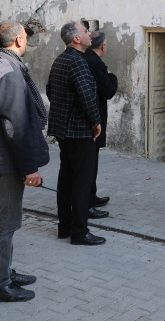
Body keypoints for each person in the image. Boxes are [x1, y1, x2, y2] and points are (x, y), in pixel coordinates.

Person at [0, 21, 49, 302]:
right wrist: (30, 168)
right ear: (18, 39)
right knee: (6, 224)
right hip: (3, 162)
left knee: (7, 222)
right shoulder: (7, 70)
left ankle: (4, 272)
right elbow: (14, 125)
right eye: (26, 38)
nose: (27, 42)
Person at [46, 22, 104, 246]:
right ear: (77, 39)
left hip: (63, 130)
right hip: (79, 132)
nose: (90, 34)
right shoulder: (77, 61)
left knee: (67, 180)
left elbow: (51, 90)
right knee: (81, 183)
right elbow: (87, 96)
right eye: (86, 32)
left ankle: (65, 227)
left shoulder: (61, 59)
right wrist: (95, 122)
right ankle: (79, 231)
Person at [83, 31, 118, 218]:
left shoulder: (83, 58)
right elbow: (108, 90)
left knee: (90, 162)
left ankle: (91, 196)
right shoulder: (95, 63)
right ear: (103, 47)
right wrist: (112, 77)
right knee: (89, 163)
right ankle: (87, 203)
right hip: (91, 122)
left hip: (87, 121)